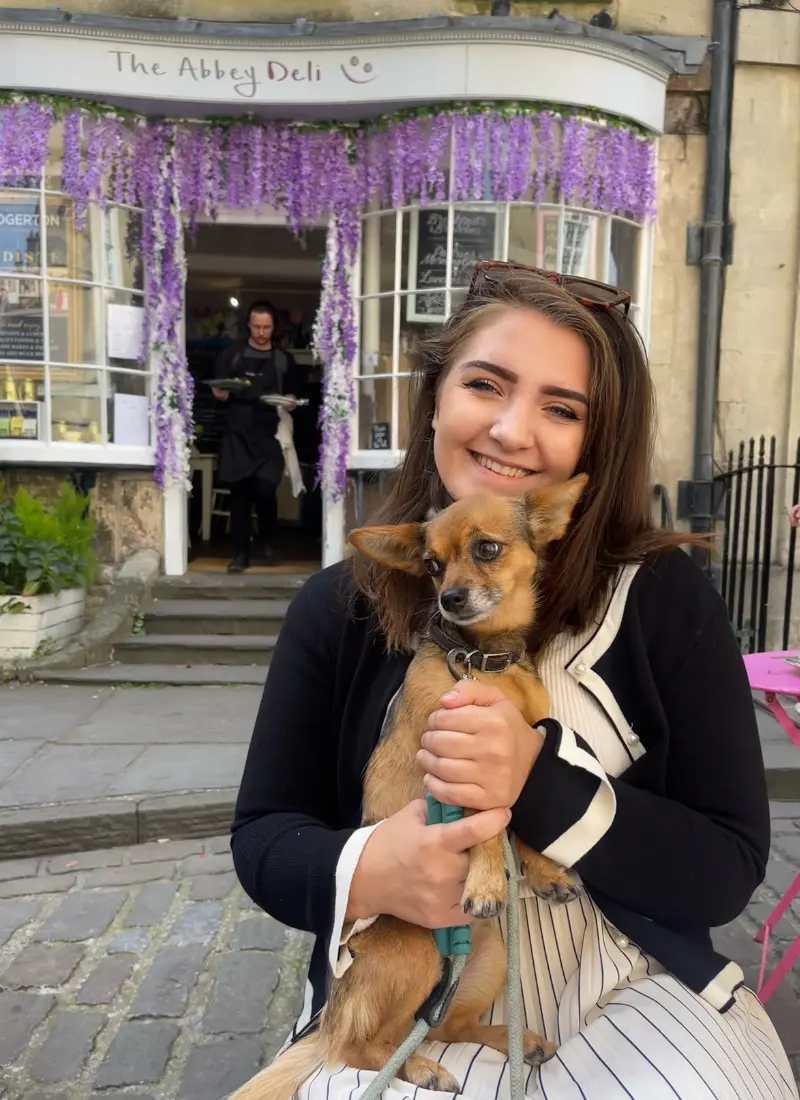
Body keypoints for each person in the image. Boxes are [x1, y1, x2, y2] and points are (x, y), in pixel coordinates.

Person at [232, 263, 798, 1099]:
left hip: (638, 988)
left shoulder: (665, 598)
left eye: (561, 408)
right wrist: (373, 868)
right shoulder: (338, 607)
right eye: (485, 385)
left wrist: (540, 783)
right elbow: (264, 836)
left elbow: (729, 863)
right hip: (416, 994)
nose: (509, 429)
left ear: (591, 449)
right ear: (437, 399)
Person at [212, 301, 303, 572]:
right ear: (248, 325)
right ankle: (240, 553)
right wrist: (220, 394)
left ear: (274, 327)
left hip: (270, 435)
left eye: (267, 327)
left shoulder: (283, 359)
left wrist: (290, 401)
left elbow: (294, 394)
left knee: (265, 490)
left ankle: (267, 541)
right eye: (257, 327)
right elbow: (218, 390)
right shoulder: (232, 355)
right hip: (237, 434)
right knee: (239, 495)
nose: (262, 332)